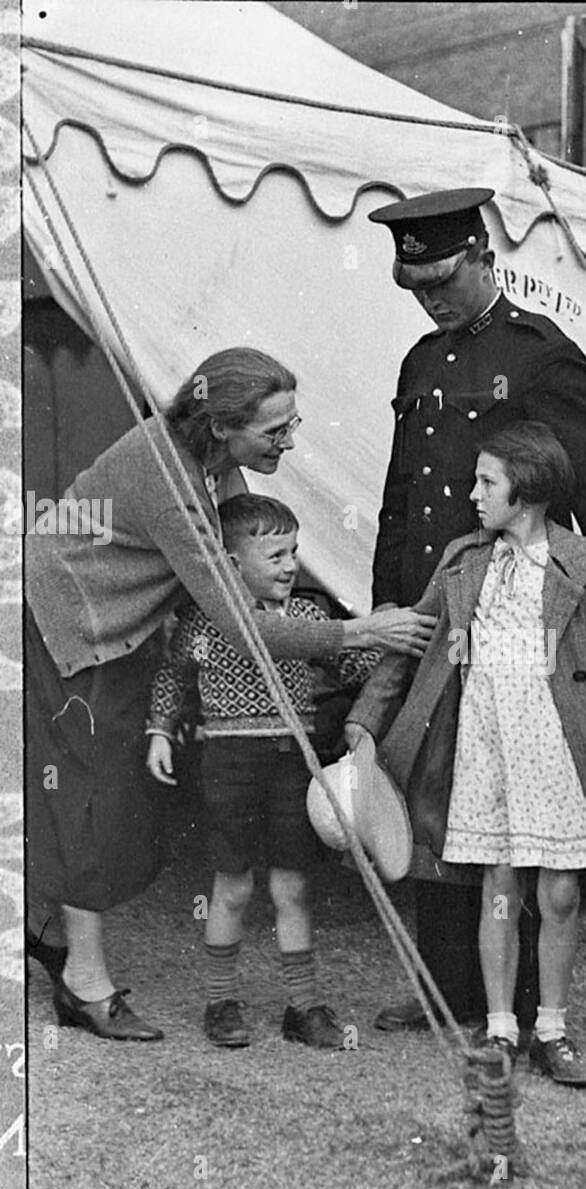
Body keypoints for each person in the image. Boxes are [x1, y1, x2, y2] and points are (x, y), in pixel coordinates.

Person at [25, 347, 433, 1040]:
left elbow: (240, 563)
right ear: (221, 428)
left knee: (112, 796)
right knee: (90, 798)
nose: (290, 442)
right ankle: (82, 982)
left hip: (119, 625)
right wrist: (359, 632)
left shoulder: (212, 465)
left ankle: (53, 933)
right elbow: (241, 623)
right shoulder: (171, 482)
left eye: (291, 424)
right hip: (73, 625)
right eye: (274, 432)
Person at [366, 186, 586, 1034]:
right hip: (440, 605)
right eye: (414, 285)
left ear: (483, 256)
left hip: (517, 616)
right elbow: (402, 499)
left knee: (520, 803)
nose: (427, 297)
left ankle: (526, 1001)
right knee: (437, 790)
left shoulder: (541, 355)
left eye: (440, 280)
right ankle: (449, 989)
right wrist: (391, 602)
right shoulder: (420, 363)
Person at [346, 422, 586, 1087]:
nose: (472, 493)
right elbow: (411, 645)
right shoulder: (462, 557)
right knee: (499, 886)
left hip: (553, 739)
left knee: (560, 891)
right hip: (482, 737)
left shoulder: (582, 558)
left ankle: (553, 1030)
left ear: (528, 491)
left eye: (487, 482)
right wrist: (366, 720)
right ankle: (502, 1028)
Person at [146, 495, 379, 1048]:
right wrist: (159, 730)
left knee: (292, 886)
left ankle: (303, 1007)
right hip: (228, 766)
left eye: (294, 552)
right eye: (275, 555)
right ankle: (220, 1002)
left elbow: (351, 662)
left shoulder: (307, 617)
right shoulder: (204, 622)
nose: (291, 564)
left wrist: (386, 642)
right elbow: (173, 678)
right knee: (232, 885)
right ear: (230, 564)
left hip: (292, 766)